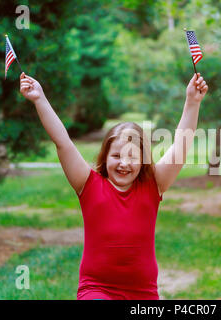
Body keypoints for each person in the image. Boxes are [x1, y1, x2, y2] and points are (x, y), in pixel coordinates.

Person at [19, 71, 208, 299]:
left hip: (143, 293)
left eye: (132, 157)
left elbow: (181, 146)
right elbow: (63, 142)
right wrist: (39, 99)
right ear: (105, 156)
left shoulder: (153, 185)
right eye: (117, 155)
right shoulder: (88, 184)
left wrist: (192, 102)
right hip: (96, 289)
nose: (124, 164)